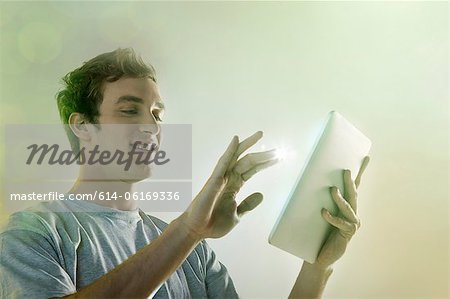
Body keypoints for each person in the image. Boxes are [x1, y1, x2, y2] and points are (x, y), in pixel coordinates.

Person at [0, 48, 370, 298]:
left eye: (157, 113)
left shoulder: (193, 252)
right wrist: (189, 229)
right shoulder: (33, 232)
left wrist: (316, 267)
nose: (151, 126)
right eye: (130, 111)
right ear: (82, 126)